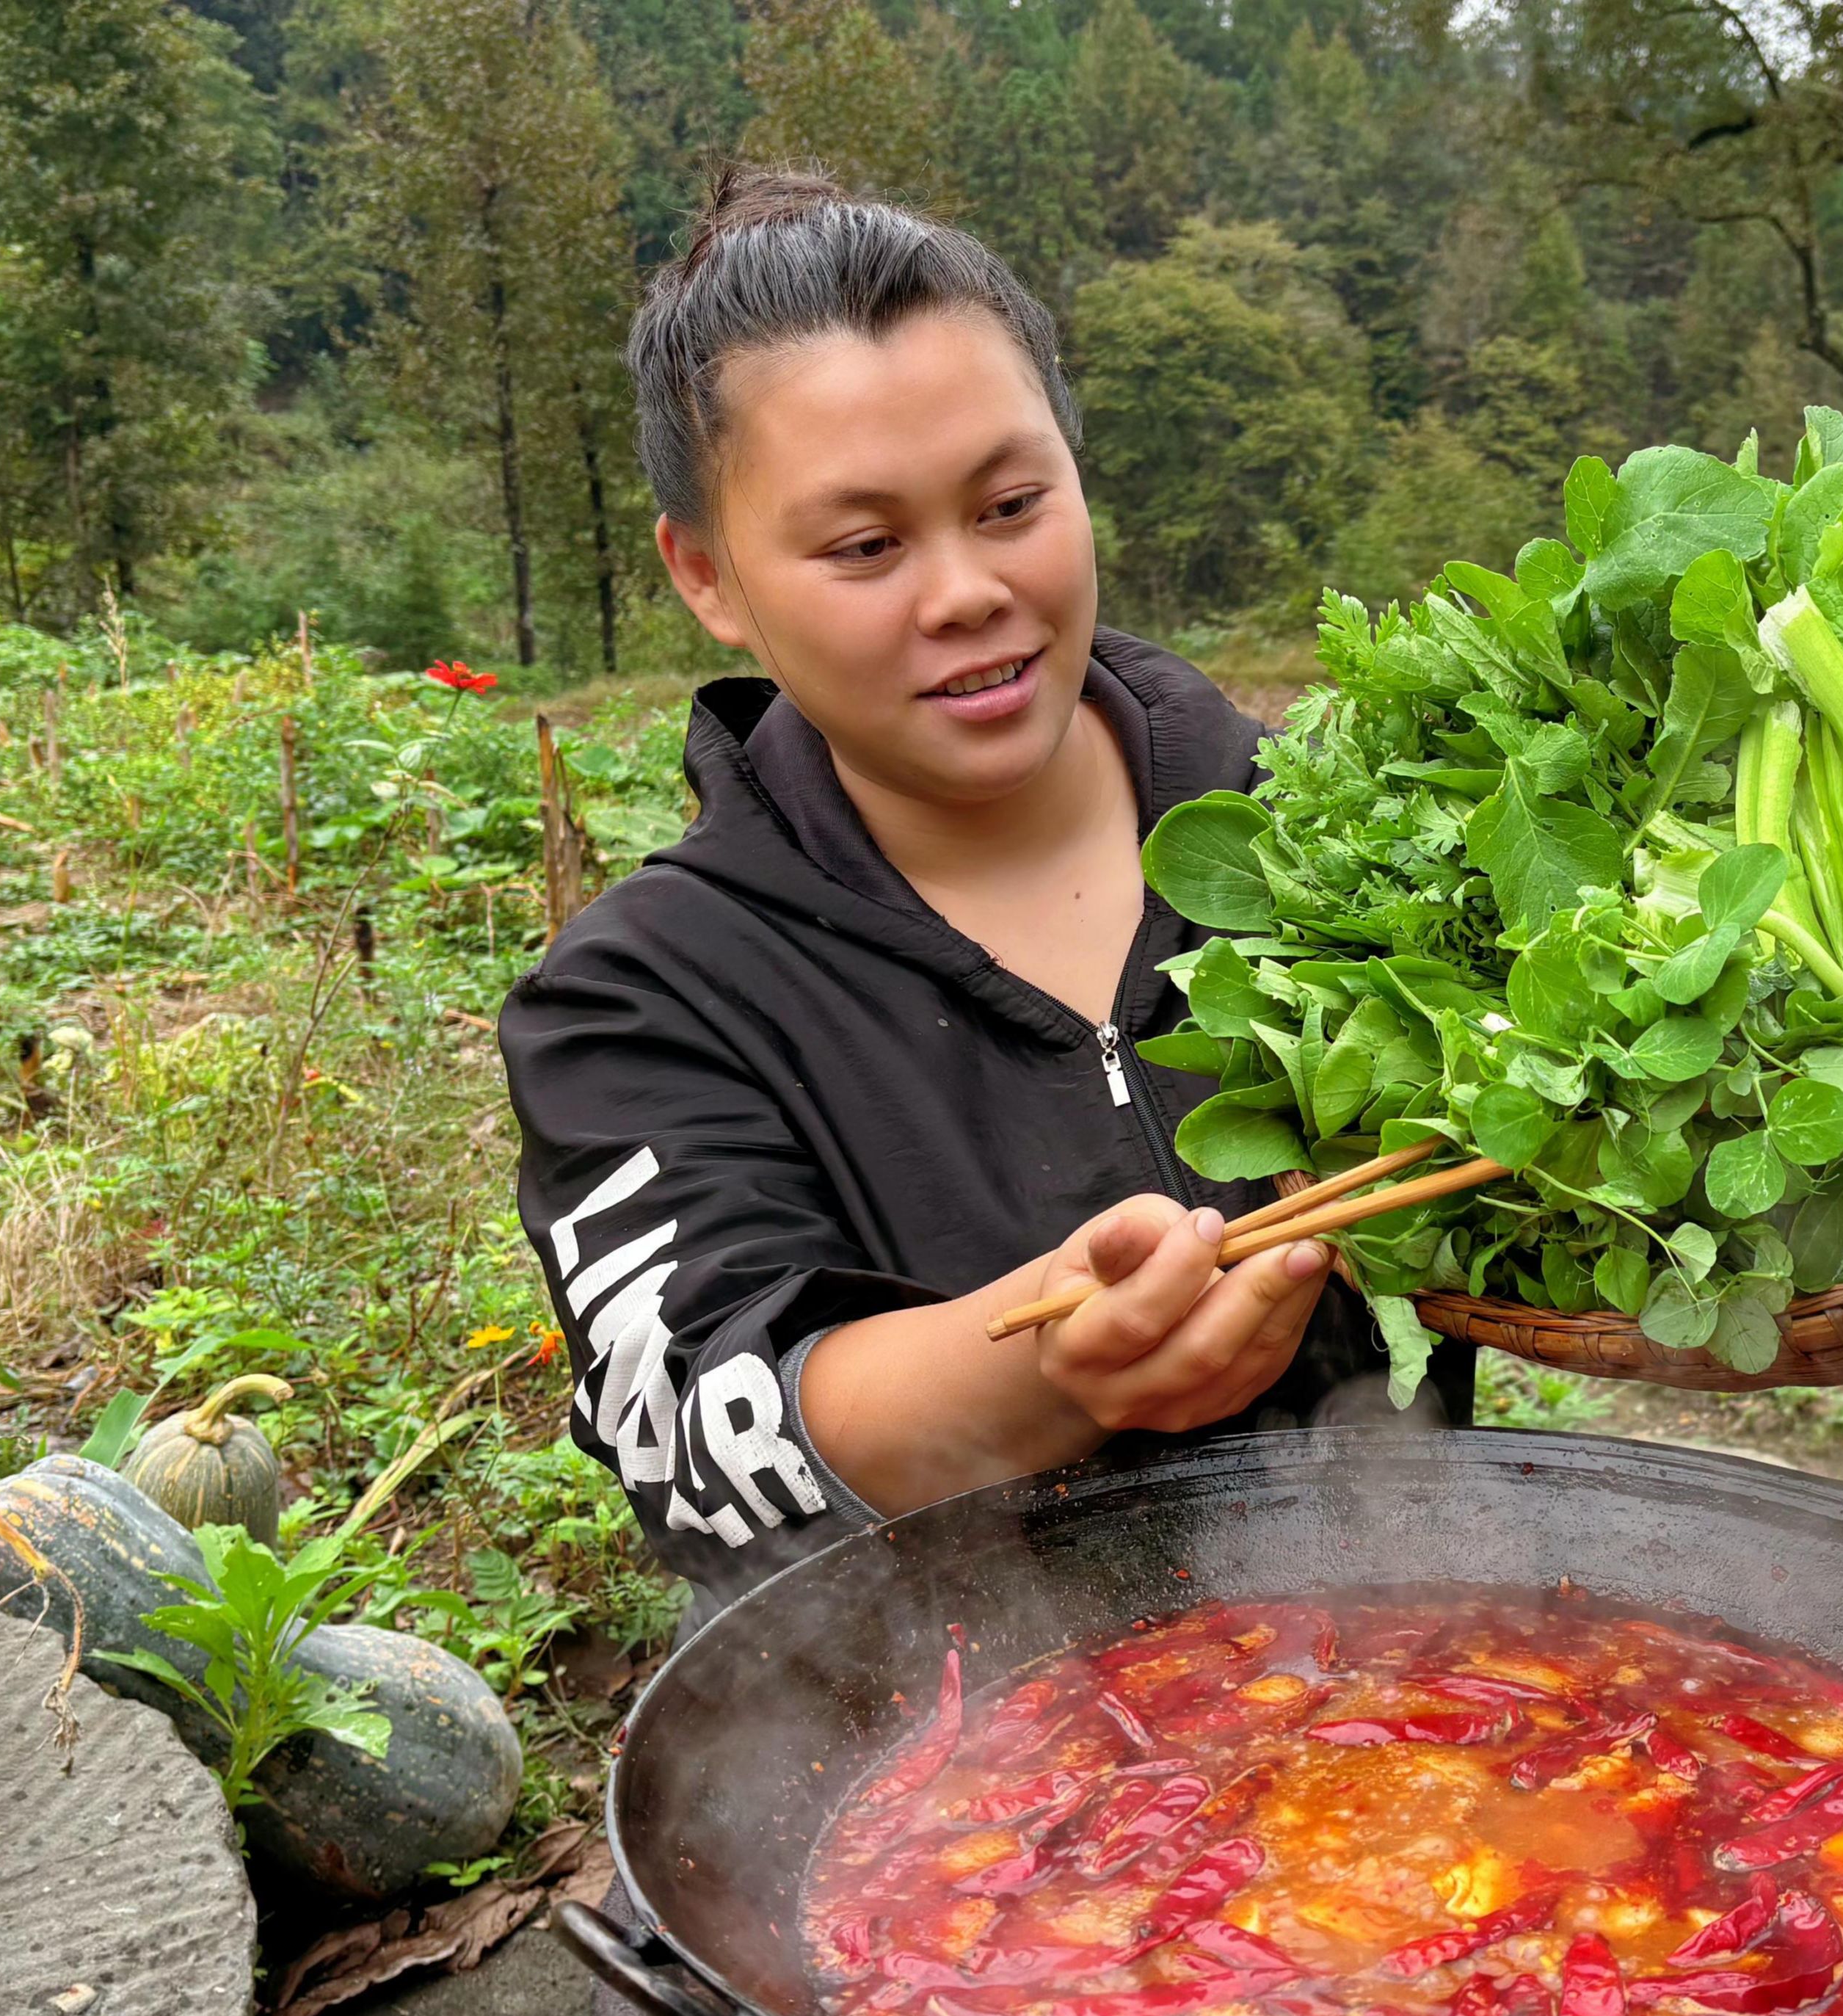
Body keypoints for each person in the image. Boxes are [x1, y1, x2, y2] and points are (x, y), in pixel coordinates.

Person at [501, 169, 1465, 1635]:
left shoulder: (1327, 842)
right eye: (865, 547)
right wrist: (1045, 1374)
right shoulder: (643, 993)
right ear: (706, 574)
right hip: (951, 1774)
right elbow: (698, 1443)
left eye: (1011, 504)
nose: (965, 592)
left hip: (1430, 1681)